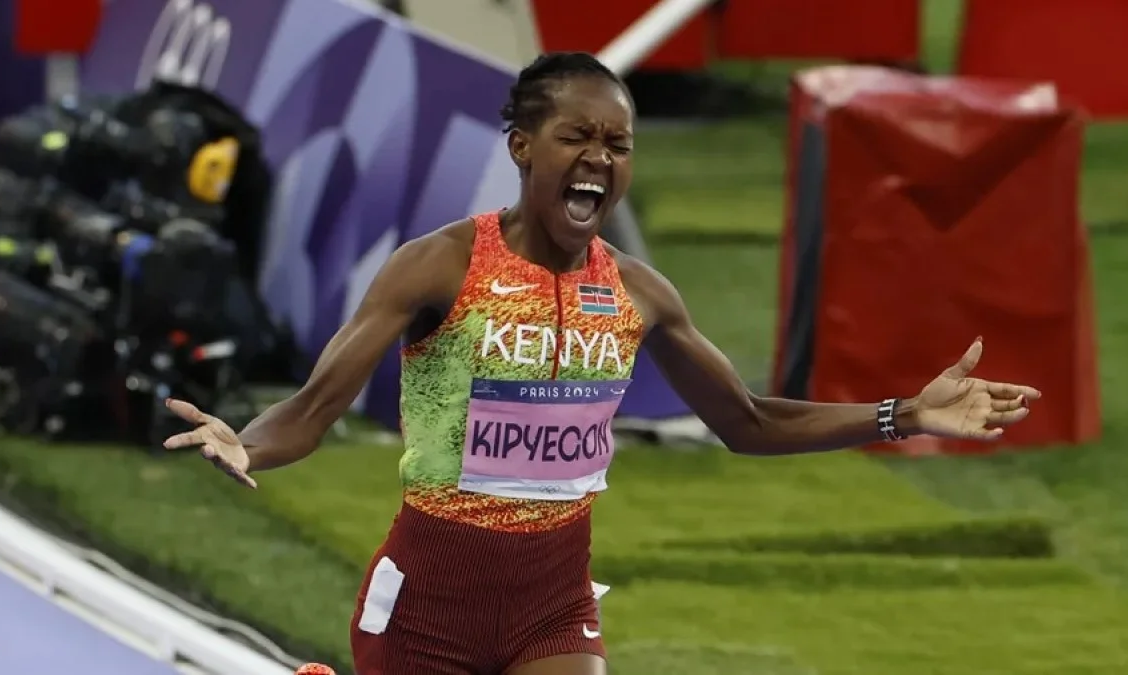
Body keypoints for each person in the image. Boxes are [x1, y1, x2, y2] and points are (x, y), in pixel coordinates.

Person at [162, 52, 1041, 675]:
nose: (599, 159)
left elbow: (747, 421)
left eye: (617, 144)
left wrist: (903, 414)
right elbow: (314, 405)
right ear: (522, 146)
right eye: (577, 137)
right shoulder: (439, 267)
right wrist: (248, 442)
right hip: (427, 601)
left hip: (552, 601)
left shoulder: (639, 293)